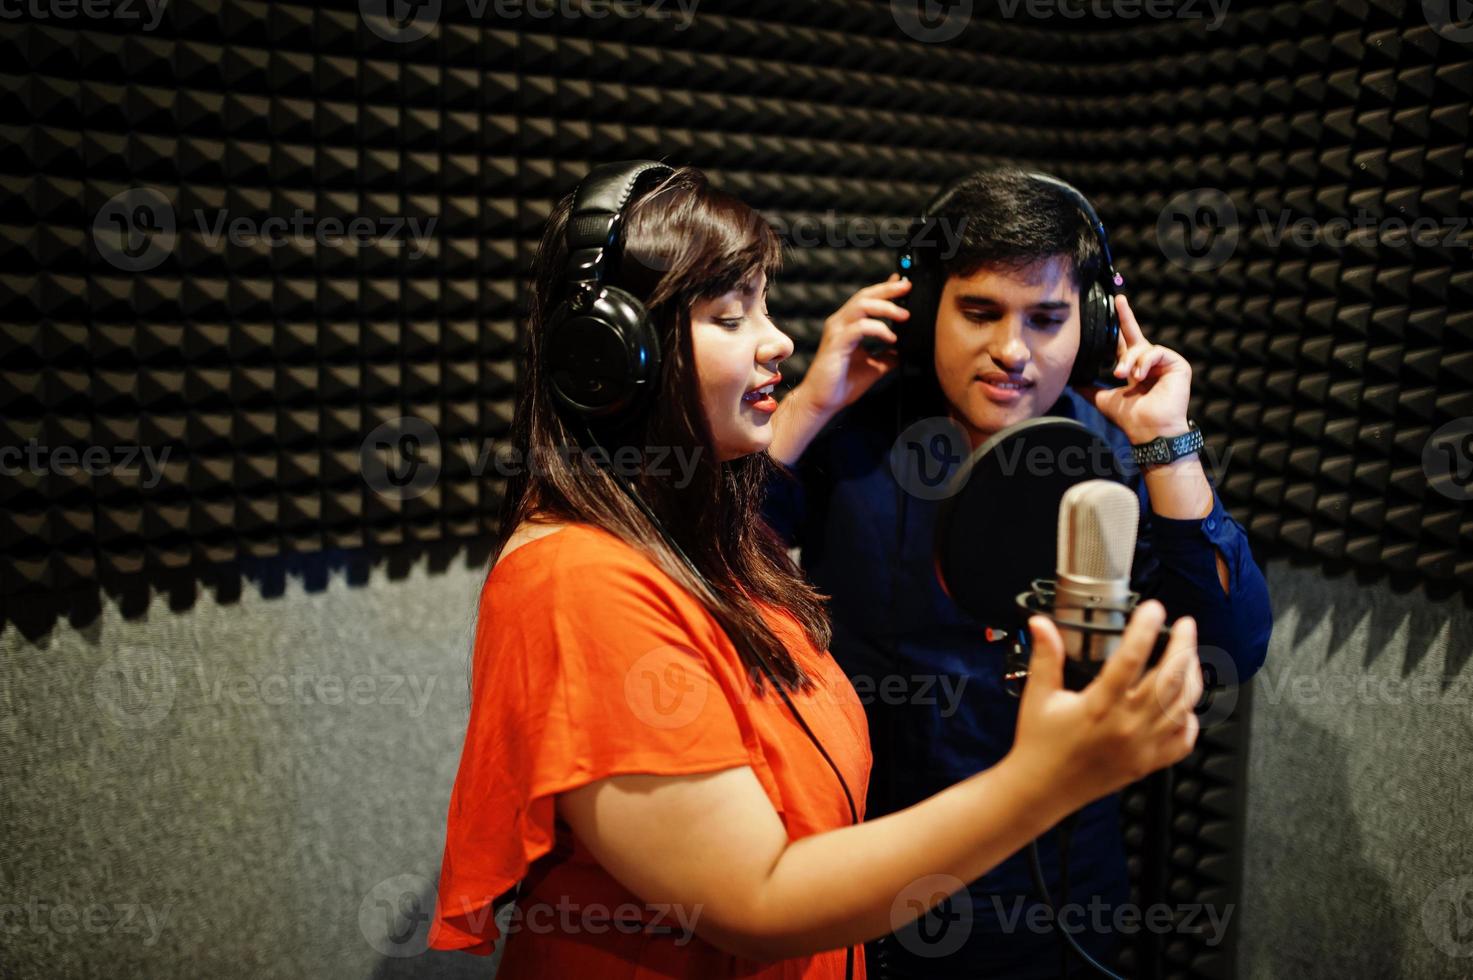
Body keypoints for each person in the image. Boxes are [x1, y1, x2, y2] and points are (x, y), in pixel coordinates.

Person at [428, 162, 1206, 979]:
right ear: (614, 355)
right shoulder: (581, 584)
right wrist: (1044, 781)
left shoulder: (693, 550)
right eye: (732, 316)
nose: (781, 341)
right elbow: (757, 900)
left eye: (763, 306)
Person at [763, 169, 1274, 977]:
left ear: (1092, 328)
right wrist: (806, 407)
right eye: (978, 312)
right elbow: (704, 565)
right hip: (862, 874)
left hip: (1054, 901)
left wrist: (1166, 442)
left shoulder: (1117, 453)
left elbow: (1230, 645)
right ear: (927, 308)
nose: (1010, 351)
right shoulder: (854, 433)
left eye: (1045, 320)